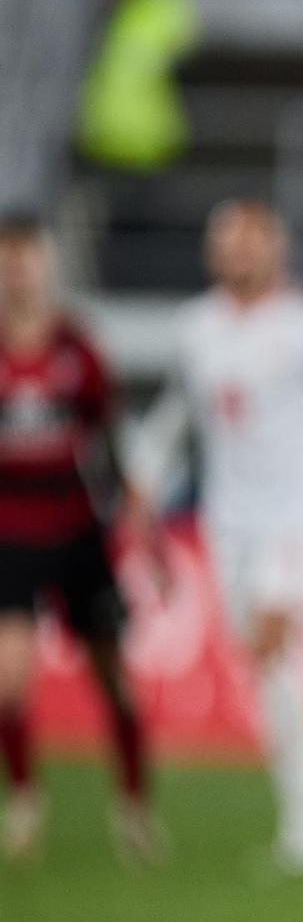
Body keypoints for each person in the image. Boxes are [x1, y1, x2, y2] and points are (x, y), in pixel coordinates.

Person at [127, 200, 303, 878]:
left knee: (274, 639)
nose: (237, 253)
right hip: (232, 522)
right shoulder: (197, 327)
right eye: (225, 241)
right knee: (265, 662)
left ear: (276, 249)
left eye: (250, 241)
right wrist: (143, 481)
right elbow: (178, 413)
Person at [0, 211, 158, 862]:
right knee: (7, 684)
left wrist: (138, 514)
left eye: (28, 254)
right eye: (8, 256)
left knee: (113, 680)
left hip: (77, 531)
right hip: (9, 533)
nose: (18, 268)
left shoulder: (78, 350)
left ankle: (134, 806)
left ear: (48, 263)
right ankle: (26, 801)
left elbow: (110, 438)